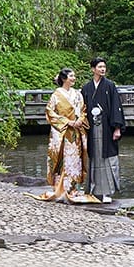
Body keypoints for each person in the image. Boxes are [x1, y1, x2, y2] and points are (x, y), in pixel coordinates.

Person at [35, 68, 95, 203]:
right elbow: (50, 112)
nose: (74, 78)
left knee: (75, 159)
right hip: (62, 132)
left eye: (74, 76)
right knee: (62, 159)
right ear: (64, 79)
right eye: (71, 76)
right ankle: (60, 188)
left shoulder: (78, 94)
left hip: (76, 131)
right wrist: (67, 122)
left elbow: (83, 109)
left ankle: (73, 188)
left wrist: (80, 120)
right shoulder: (56, 95)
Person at [80, 57, 126, 203]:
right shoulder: (86, 88)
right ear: (93, 69)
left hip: (106, 127)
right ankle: (92, 190)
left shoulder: (110, 86)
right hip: (91, 128)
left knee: (106, 158)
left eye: (104, 67)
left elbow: (116, 107)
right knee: (93, 157)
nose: (102, 69)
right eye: (99, 67)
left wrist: (117, 128)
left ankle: (107, 193)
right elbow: (81, 108)